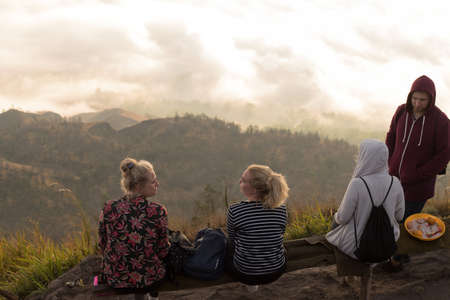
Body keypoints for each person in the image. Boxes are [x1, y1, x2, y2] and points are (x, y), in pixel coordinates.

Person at [98, 158, 168, 300]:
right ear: (137, 186)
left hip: (115, 278)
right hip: (149, 279)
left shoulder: (109, 208)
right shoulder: (158, 211)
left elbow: (102, 244)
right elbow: (163, 250)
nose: (157, 184)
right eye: (153, 181)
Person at [326, 140, 405, 264]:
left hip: (358, 248)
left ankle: (347, 273)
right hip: (387, 243)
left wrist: (335, 217)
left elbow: (343, 218)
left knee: (335, 221)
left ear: (365, 157)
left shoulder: (357, 184)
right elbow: (400, 216)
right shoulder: (395, 182)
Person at [386, 75, 449, 221]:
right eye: (414, 98)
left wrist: (418, 174)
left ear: (431, 99)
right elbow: (391, 136)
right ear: (410, 96)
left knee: (405, 222)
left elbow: (444, 155)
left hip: (418, 189)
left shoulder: (441, 121)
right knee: (388, 220)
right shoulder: (401, 111)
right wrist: (388, 162)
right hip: (392, 181)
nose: (417, 103)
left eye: (422, 100)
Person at [226, 164, 289, 292]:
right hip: (276, 271)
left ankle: (252, 286)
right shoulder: (281, 209)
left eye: (243, 180)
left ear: (254, 189)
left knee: (227, 251)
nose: (239, 182)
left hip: (246, 274)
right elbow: (280, 233)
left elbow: (232, 240)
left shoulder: (235, 210)